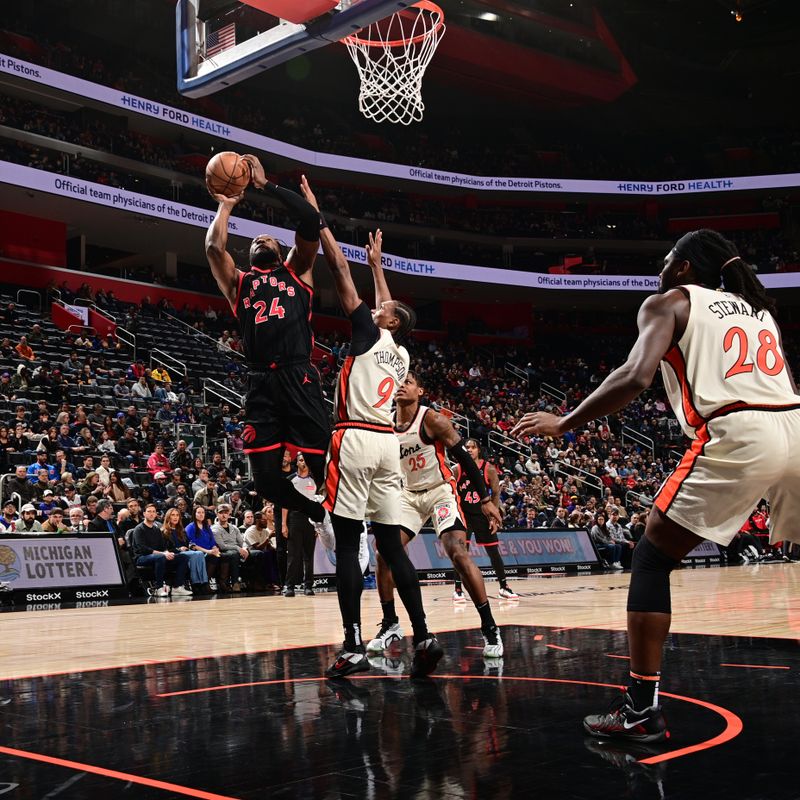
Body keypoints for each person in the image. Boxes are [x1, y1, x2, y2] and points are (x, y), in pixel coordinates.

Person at [513, 228, 800, 743]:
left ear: (686, 267)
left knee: (651, 556)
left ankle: (640, 710)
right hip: (795, 424)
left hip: (741, 428)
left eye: (668, 259)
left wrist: (565, 422)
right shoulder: (759, 311)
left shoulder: (670, 302)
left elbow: (635, 375)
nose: (661, 267)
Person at [307, 190, 441, 679]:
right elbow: (388, 304)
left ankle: (352, 644)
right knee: (391, 545)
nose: (376, 307)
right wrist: (379, 264)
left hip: (355, 439)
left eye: (383, 308)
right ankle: (423, 634)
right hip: (387, 446)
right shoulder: (401, 354)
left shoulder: (367, 332)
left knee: (347, 544)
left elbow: (341, 275)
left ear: (388, 320)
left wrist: (319, 221)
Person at [204, 157, 332, 534]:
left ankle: (345, 524)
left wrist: (267, 186)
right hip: (260, 383)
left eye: (267, 238)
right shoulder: (238, 283)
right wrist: (226, 206)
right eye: (255, 240)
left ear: (280, 250)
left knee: (326, 461)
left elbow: (310, 221)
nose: (260, 239)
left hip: (299, 374)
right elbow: (214, 247)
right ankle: (315, 511)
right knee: (264, 482)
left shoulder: (298, 270)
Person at [368, 372, 504, 658]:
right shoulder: (386, 424)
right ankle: (391, 623)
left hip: (440, 490)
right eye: (398, 381)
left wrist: (485, 499)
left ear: (420, 390)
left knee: (457, 552)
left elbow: (465, 459)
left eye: (408, 381)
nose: (402, 385)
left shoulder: (432, 419)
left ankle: (490, 627)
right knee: (383, 553)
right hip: (408, 495)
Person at [453, 439, 519, 601]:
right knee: (460, 553)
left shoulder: (488, 468)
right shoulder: (457, 468)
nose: (469, 450)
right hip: (464, 514)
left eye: (473, 447)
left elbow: (496, 493)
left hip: (483, 515)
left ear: (479, 450)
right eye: (466, 447)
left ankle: (504, 587)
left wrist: (493, 516)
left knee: (493, 552)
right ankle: (458, 589)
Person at [132, 503, 189, 598]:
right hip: (141, 557)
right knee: (160, 557)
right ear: (144, 514)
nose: (151, 514)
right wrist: (163, 554)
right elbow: (143, 549)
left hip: (158, 556)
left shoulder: (156, 529)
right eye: (149, 511)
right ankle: (159, 588)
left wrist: (167, 553)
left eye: (153, 512)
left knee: (183, 557)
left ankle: (177, 587)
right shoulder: (139, 529)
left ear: (156, 514)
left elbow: (162, 546)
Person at [282, 453, 319, 597]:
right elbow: (285, 503)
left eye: (305, 460)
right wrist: (284, 524)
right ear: (296, 463)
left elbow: (319, 503)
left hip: (310, 519)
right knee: (293, 555)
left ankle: (308, 586)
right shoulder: (291, 480)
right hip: (295, 518)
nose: (303, 462)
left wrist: (318, 524)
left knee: (309, 555)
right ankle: (289, 586)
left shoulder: (315, 480)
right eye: (301, 460)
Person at [162, 507, 208, 595]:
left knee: (200, 553)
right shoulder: (163, 531)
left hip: (186, 552)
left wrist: (190, 546)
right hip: (174, 554)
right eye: (173, 515)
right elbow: (164, 549)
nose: (175, 517)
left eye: (177, 515)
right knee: (196, 554)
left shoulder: (182, 531)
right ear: (168, 517)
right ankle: (196, 583)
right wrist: (178, 549)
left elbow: (187, 544)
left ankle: (203, 582)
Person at [186, 505, 226, 592]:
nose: (201, 514)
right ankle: (205, 583)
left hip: (210, 551)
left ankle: (222, 583)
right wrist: (208, 551)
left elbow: (212, 542)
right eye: (199, 512)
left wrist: (215, 548)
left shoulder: (206, 527)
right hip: (199, 553)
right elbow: (192, 545)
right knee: (213, 557)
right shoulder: (190, 527)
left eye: (203, 512)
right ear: (194, 514)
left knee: (224, 556)